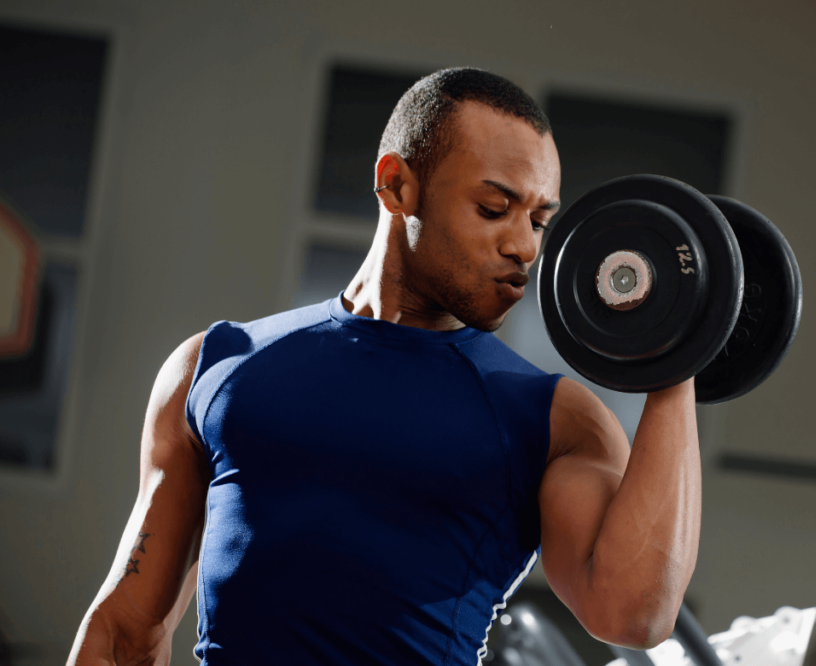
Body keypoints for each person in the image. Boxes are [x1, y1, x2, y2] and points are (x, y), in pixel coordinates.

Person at [67, 68, 701, 665]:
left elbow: (632, 616)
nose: (525, 246)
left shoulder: (554, 420)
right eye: (493, 209)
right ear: (396, 184)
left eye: (538, 219)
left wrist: (678, 357)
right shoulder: (216, 367)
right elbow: (124, 633)